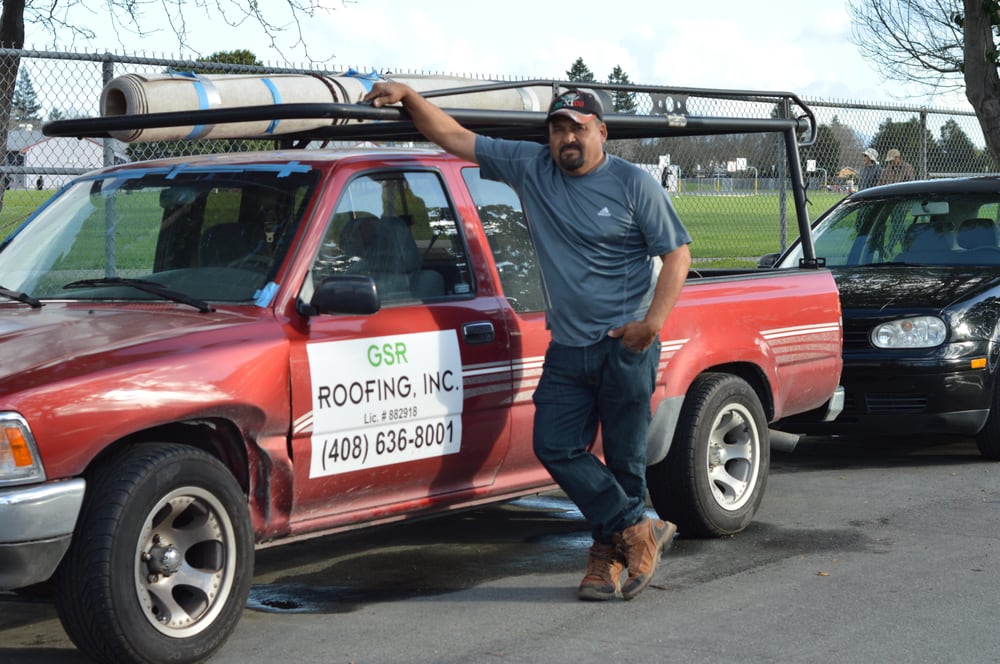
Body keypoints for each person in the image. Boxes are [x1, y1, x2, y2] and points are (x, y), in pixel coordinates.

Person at [363, 82, 692, 601]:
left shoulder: (633, 185)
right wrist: (408, 97)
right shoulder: (530, 166)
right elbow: (453, 135)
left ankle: (606, 559)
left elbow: (677, 255)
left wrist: (651, 325)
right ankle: (637, 527)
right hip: (568, 345)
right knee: (555, 445)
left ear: (601, 133)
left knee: (626, 460)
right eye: (558, 128)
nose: (567, 138)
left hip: (625, 345)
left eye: (578, 129)